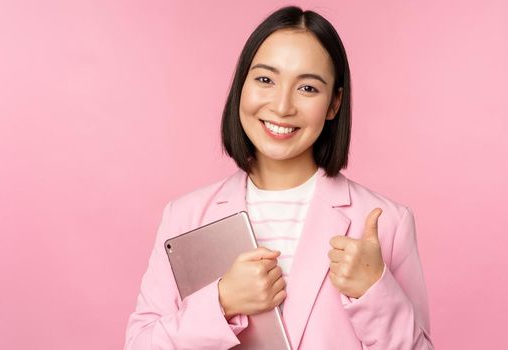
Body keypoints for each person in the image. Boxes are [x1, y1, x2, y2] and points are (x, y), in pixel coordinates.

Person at [124, 6, 433, 349]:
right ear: (242, 84)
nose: (283, 106)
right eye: (266, 79)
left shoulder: (386, 223)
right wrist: (222, 302)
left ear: (334, 104)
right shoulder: (184, 216)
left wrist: (375, 292)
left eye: (308, 88)